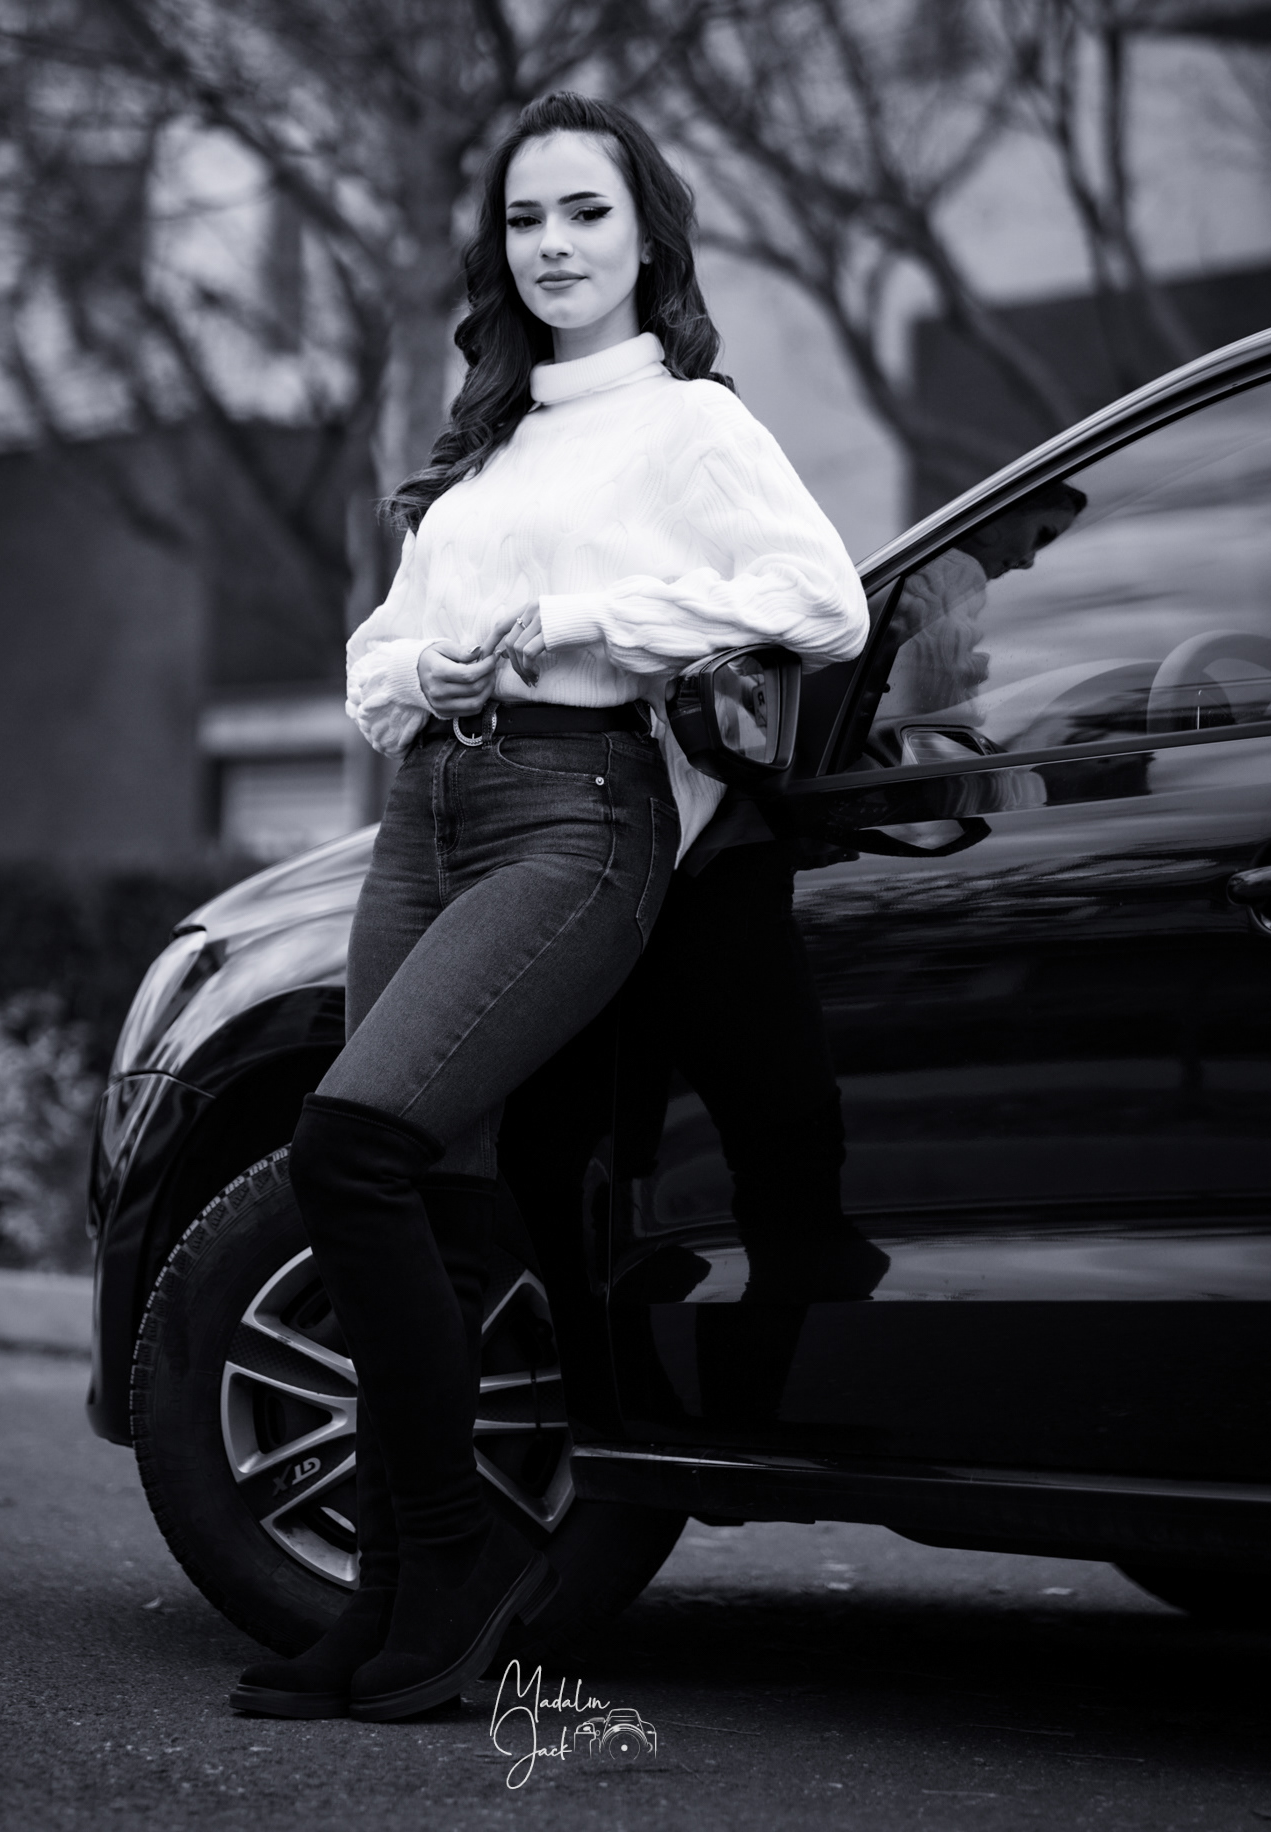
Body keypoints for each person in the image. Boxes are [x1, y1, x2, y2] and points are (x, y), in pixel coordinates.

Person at [231, 90, 870, 1725]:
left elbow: (821, 601)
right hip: (423, 814)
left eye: (585, 213)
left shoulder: (689, 424)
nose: (553, 246)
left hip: (576, 815)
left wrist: (587, 623)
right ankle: (391, 1604)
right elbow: (377, 664)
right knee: (426, 1203)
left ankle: (453, 1561)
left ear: (647, 236)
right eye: (525, 220)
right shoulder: (492, 441)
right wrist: (431, 670)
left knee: (348, 1145)